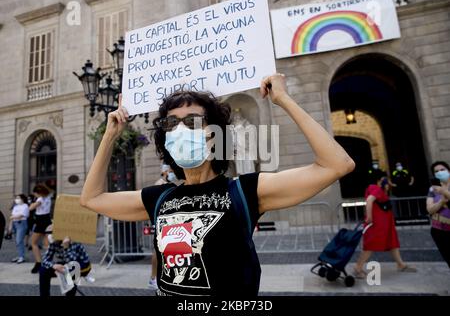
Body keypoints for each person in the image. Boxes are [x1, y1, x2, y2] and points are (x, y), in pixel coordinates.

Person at [80, 73, 355, 296]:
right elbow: (91, 198)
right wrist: (109, 136)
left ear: (214, 135)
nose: (180, 130)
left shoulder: (245, 191)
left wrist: (283, 100)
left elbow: (337, 165)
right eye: (171, 123)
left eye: (192, 121)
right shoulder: (160, 199)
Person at [354, 171, 416, 278]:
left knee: (392, 243)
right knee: (371, 245)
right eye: (385, 178)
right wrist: (369, 217)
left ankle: (400, 264)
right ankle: (358, 267)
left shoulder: (375, 188)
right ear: (380, 179)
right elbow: (369, 200)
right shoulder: (376, 188)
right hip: (378, 223)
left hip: (384, 223)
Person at [148, 163, 178, 290]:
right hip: (161, 221)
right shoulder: (159, 183)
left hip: (172, 222)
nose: (172, 172)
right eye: (170, 170)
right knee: (157, 250)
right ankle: (153, 278)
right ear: (165, 172)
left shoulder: (175, 183)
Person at [39, 227, 92, 296]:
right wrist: (54, 266)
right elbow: (45, 260)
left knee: (72, 271)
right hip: (66, 263)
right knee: (43, 270)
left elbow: (73, 262)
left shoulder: (74, 242)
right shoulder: (54, 242)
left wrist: (66, 247)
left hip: (82, 265)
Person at [426, 161, 450, 268]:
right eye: (436, 171)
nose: (440, 172)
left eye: (442, 169)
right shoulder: (433, 189)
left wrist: (444, 192)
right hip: (438, 230)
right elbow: (430, 209)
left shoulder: (439, 189)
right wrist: (441, 202)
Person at [29, 184, 53, 274]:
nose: (34, 195)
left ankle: (39, 263)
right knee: (47, 244)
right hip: (47, 219)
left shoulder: (40, 199)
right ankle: (48, 263)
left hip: (40, 221)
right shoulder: (49, 197)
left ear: (38, 193)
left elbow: (31, 208)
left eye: (35, 193)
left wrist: (32, 204)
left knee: (34, 243)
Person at [10, 194, 29, 263]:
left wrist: (14, 216)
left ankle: (22, 257)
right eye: (16, 198)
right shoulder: (16, 206)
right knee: (17, 242)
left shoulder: (25, 206)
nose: (16, 199)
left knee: (19, 241)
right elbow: (12, 216)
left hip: (21, 224)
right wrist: (10, 226)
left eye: (18, 198)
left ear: (22, 199)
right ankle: (20, 255)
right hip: (15, 224)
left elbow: (22, 215)